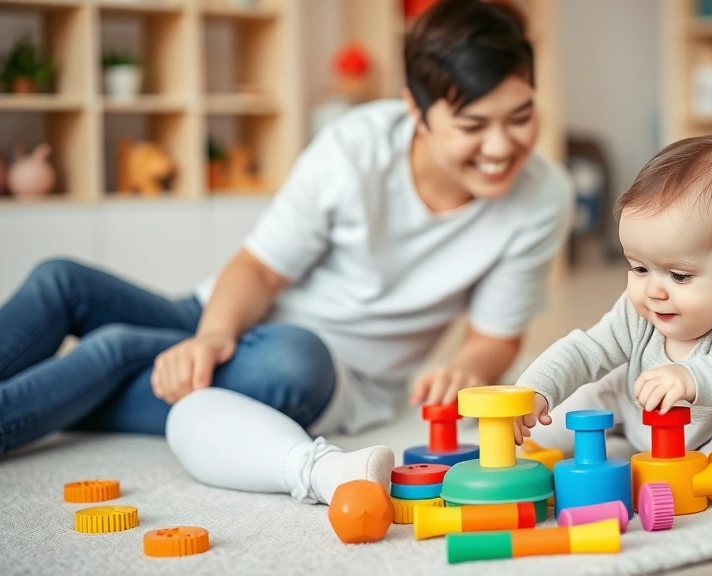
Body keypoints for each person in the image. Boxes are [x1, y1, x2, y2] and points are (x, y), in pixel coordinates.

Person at [0, 0, 572, 506]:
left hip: (322, 373)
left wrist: (464, 372)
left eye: (521, 117)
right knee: (62, 281)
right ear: (415, 111)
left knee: (178, 351)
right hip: (232, 322)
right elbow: (259, 268)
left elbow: (495, 336)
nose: (502, 147)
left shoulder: (541, 196)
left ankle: (83, 383)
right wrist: (212, 334)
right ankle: (106, 378)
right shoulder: (354, 147)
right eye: (473, 125)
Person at [513, 129, 712, 488]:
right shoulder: (641, 309)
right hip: (647, 424)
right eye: (639, 268)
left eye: (679, 275)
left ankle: (704, 476)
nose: (653, 291)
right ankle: (534, 443)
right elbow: (585, 350)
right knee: (602, 382)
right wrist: (535, 391)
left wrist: (691, 377)